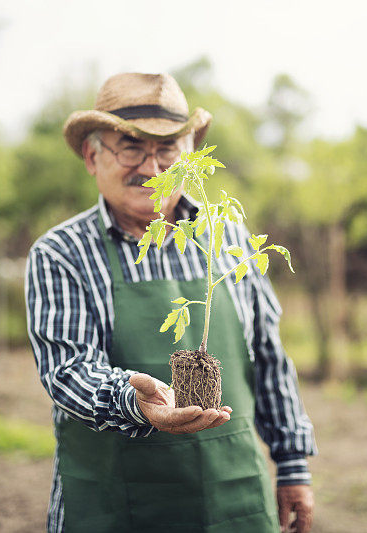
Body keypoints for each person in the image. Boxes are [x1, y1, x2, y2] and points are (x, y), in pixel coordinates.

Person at [25, 72, 318, 533]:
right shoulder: (62, 253)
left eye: (168, 150)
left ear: (189, 159)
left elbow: (268, 357)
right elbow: (69, 369)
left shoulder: (229, 241)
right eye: (131, 147)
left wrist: (293, 464)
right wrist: (135, 401)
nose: (152, 167)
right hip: (112, 504)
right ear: (91, 155)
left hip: (233, 497)